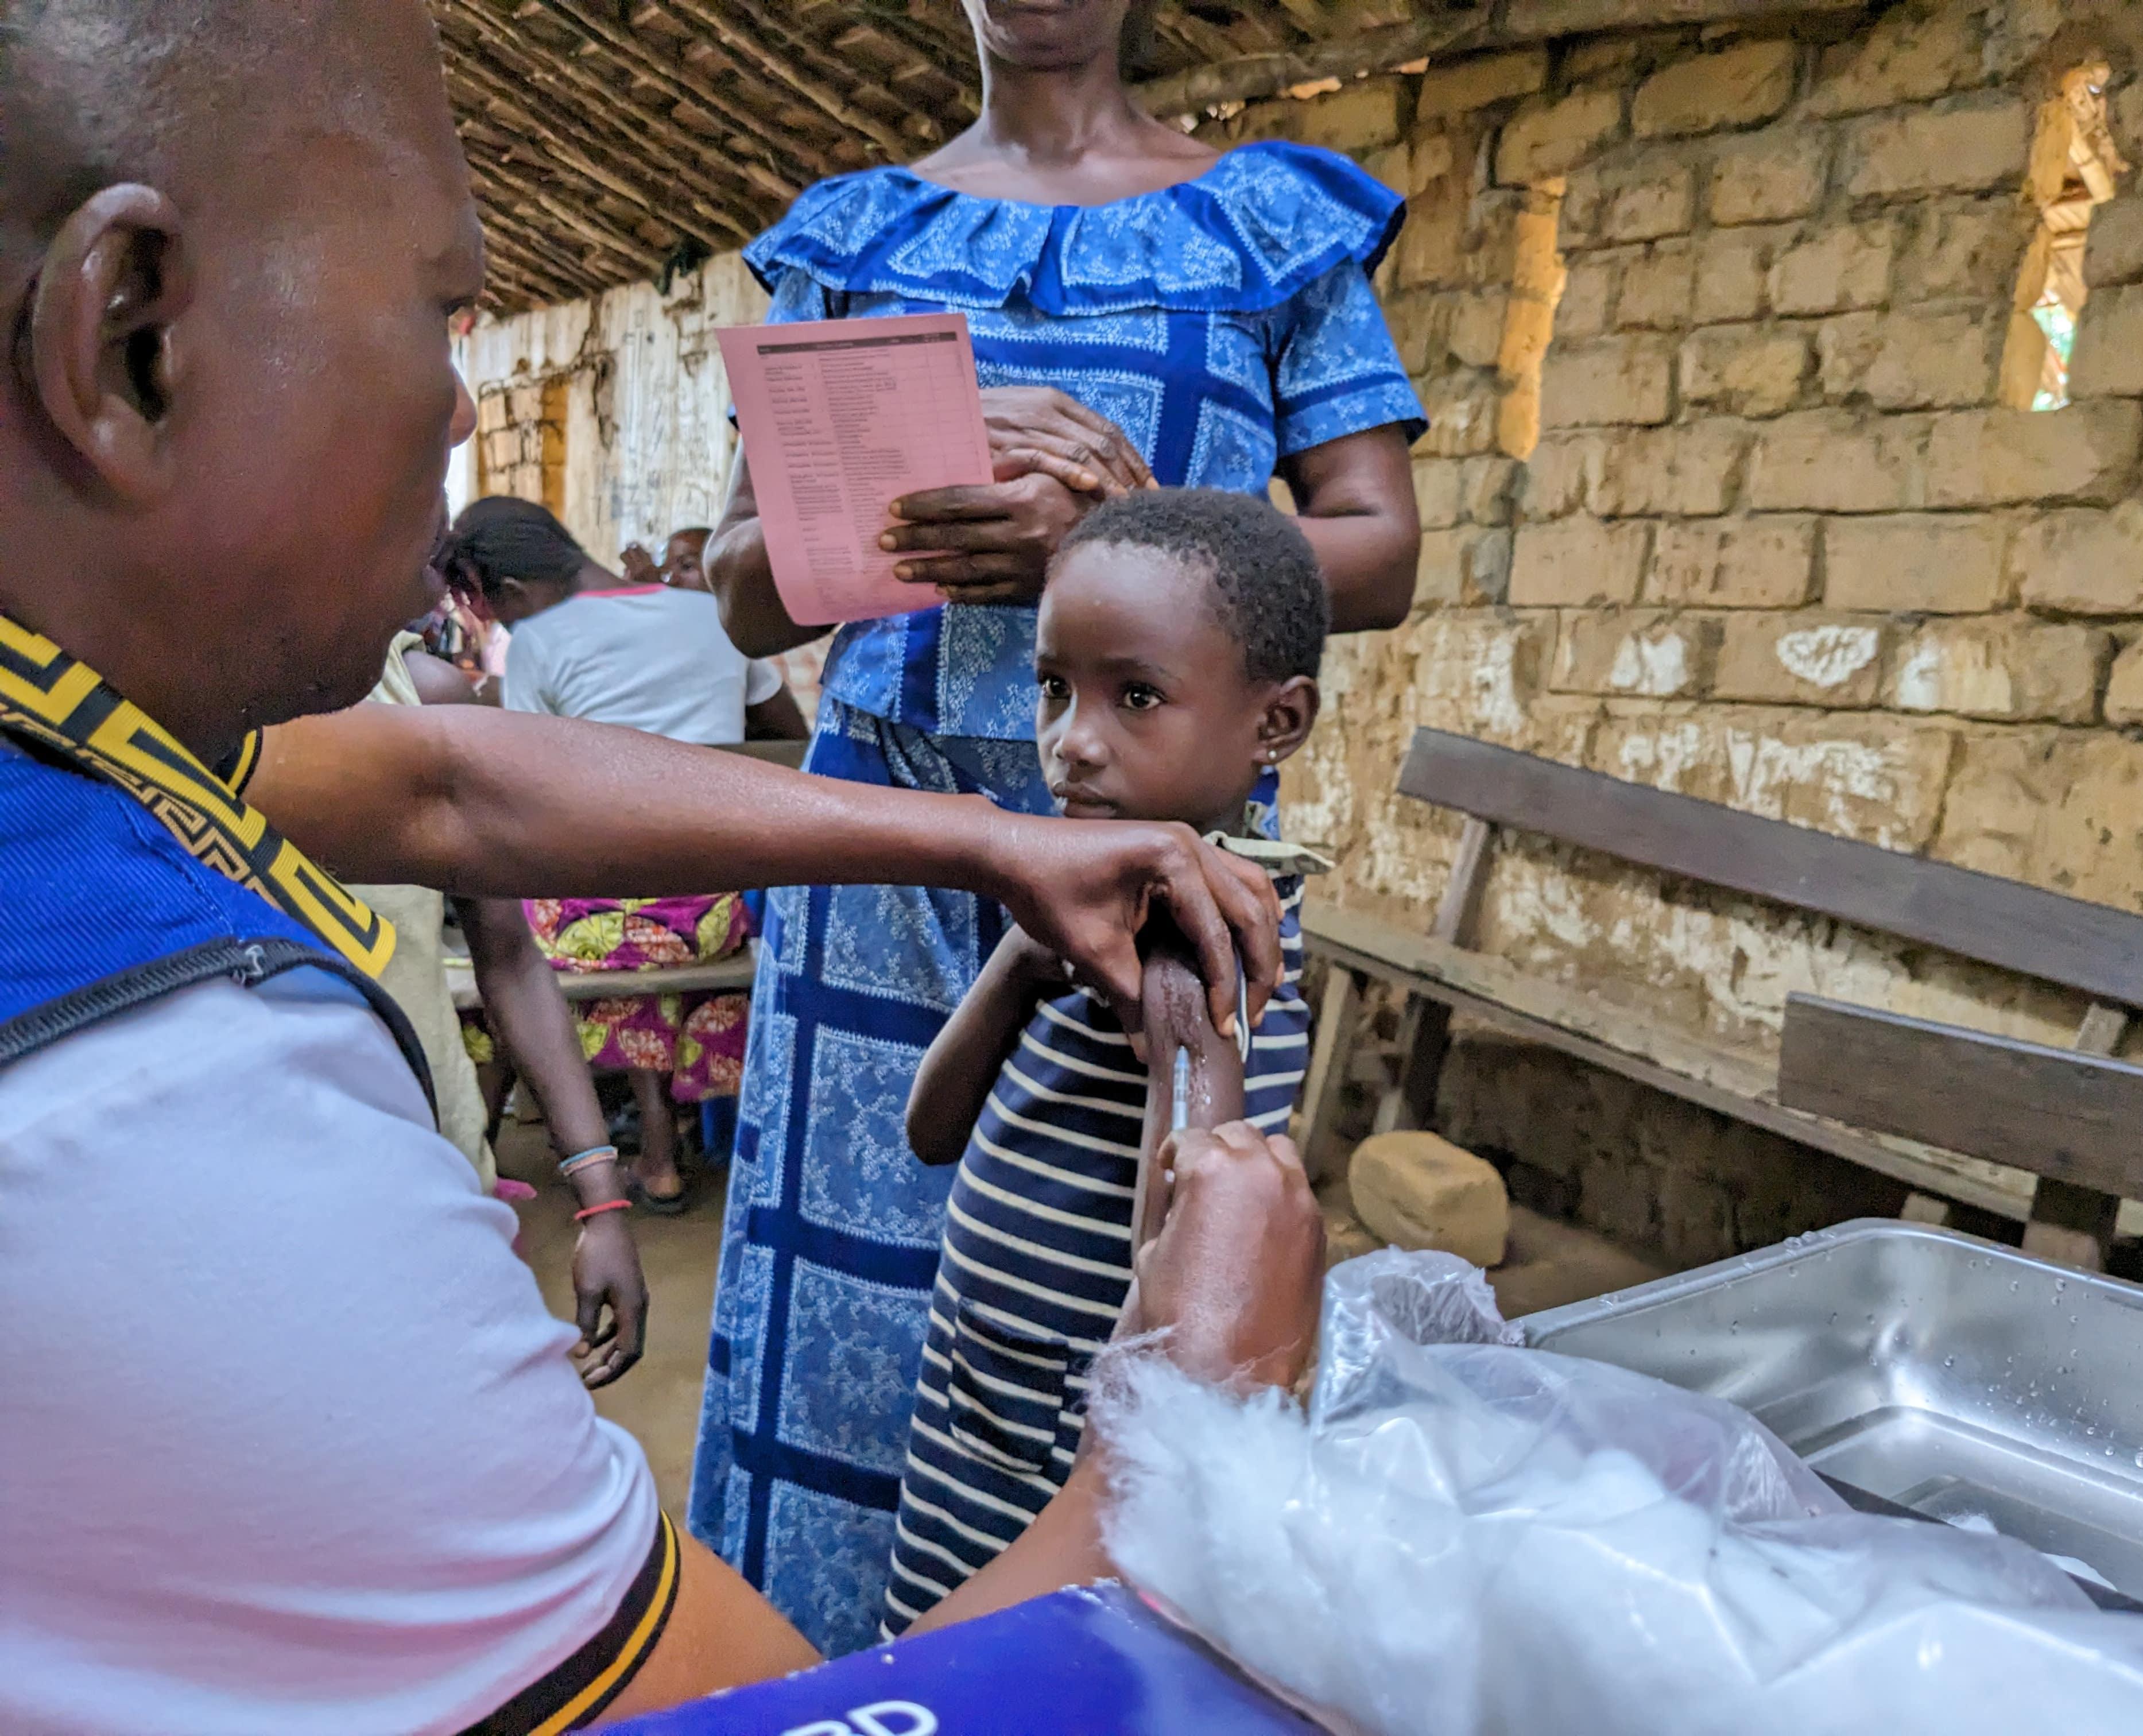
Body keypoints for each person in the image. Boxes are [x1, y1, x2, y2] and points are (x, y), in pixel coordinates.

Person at [0, 3, 1319, 1730]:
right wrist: (1192, 1422)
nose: (462, 399)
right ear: (135, 340)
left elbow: (445, 783)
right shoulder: (161, 1128)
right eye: (438, 312)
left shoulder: (64, 737)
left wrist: (991, 844)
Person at [696, 0, 1427, 1649]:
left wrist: (1128, 533)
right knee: (860, 1304)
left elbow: (1380, 551)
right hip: (879, 851)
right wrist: (904, 504)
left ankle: (1075, 1666)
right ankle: (820, 1675)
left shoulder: (1266, 228)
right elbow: (743, 599)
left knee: (1120, 1297)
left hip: (1161, 854)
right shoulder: (857, 237)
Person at [889, 489, 1331, 1633]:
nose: (1073, 742)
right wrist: (1020, 963)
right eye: (1054, 689)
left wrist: (1158, 989)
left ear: (1276, 725)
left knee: (1007, 1661)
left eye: (1136, 697)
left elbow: (1187, 1243)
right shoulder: (1095, 904)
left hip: (1061, 1410)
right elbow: (930, 1133)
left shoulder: (1195, 948)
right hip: (976, 1382)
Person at [447, 495, 805, 1210]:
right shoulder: (713, 616)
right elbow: (786, 734)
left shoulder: (540, 643)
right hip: (710, 916)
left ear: (514, 594)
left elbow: (522, 795)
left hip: (591, 926)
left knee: (492, 938)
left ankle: (538, 1138)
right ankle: (661, 1143)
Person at [349, 626, 650, 1386]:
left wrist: (602, 1200)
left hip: (440, 1168)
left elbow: (511, 957)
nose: (438, 594)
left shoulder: (422, 695)